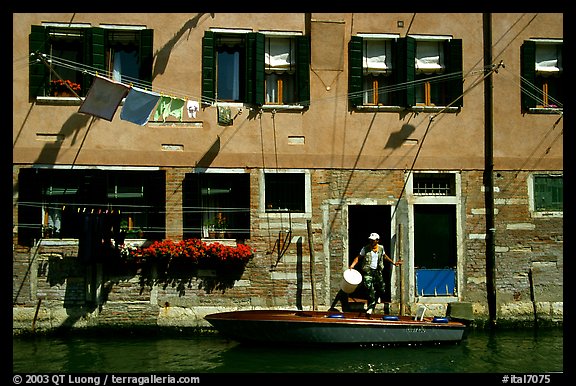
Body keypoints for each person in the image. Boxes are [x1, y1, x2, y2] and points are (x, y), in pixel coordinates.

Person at [349, 232, 402, 316]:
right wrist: (352, 266)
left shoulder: (381, 248)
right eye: (370, 240)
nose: (371, 242)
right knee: (370, 288)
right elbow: (358, 257)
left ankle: (376, 298)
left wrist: (394, 263)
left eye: (373, 241)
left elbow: (385, 256)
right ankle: (370, 308)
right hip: (368, 271)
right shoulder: (365, 249)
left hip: (377, 271)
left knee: (382, 288)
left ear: (377, 241)